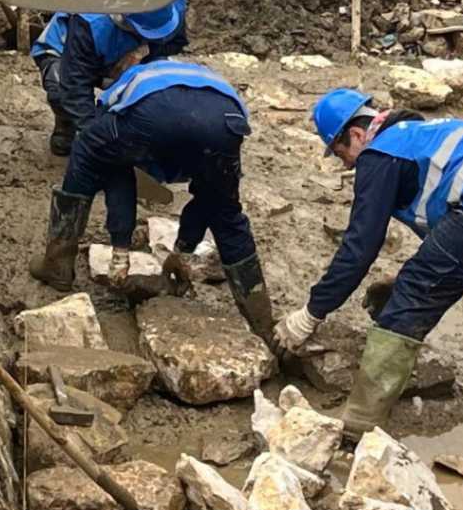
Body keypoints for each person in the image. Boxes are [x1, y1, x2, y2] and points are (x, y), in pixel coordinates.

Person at [279, 88, 463, 434]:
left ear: (356, 134)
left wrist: (312, 313)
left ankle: (359, 427)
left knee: (416, 292)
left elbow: (359, 247)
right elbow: (458, 240)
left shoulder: (379, 154)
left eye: (341, 153)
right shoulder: (421, 137)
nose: (347, 164)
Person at [41, 49, 289, 358]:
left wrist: (121, 248)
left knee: (87, 151)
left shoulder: (119, 92)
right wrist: (181, 251)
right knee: (224, 209)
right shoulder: (195, 73)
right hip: (226, 121)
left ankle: (57, 262)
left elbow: (119, 177)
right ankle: (263, 325)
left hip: (153, 114)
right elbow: (205, 200)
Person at [26, 0, 186, 159]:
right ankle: (65, 124)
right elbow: (75, 86)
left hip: (121, 51)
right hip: (66, 52)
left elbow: (171, 47)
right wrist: (96, 138)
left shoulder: (173, 5)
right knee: (60, 87)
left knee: (151, 85)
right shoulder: (90, 22)